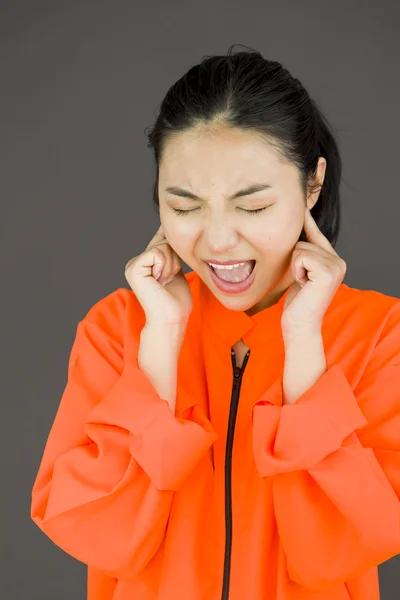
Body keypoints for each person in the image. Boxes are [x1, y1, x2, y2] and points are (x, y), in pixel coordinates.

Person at [31, 45, 400, 600]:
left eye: (252, 207)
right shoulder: (118, 328)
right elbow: (102, 538)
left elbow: (343, 547)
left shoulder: (380, 335)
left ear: (312, 185)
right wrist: (159, 346)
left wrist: (304, 346)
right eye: (183, 207)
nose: (218, 240)